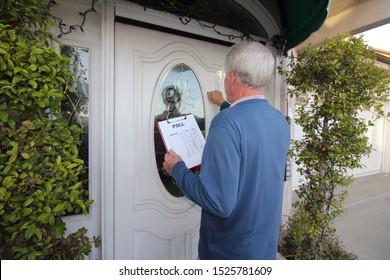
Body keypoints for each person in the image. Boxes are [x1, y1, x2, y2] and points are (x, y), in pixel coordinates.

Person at [163, 42, 290, 260]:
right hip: (263, 248)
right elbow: (250, 128)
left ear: (231, 76)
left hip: (229, 254)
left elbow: (217, 202)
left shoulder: (226, 123)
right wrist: (223, 103)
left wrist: (177, 169)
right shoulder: (278, 120)